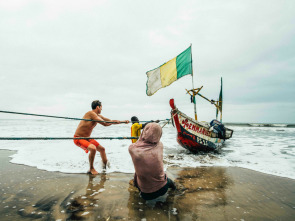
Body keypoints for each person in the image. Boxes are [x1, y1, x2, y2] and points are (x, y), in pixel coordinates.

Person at [74, 100, 129, 175]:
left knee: (102, 149)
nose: (101, 109)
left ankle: (105, 167)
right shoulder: (91, 114)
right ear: (97, 107)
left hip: (87, 138)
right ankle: (91, 168)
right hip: (79, 138)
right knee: (93, 148)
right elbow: (105, 124)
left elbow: (110, 121)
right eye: (101, 107)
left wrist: (123, 121)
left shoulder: (98, 116)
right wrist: (112, 122)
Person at [129, 123, 175, 200]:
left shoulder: (132, 148)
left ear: (143, 132)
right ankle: (175, 190)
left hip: (145, 194)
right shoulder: (160, 145)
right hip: (163, 188)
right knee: (169, 181)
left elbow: (137, 144)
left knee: (138, 173)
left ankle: (137, 187)